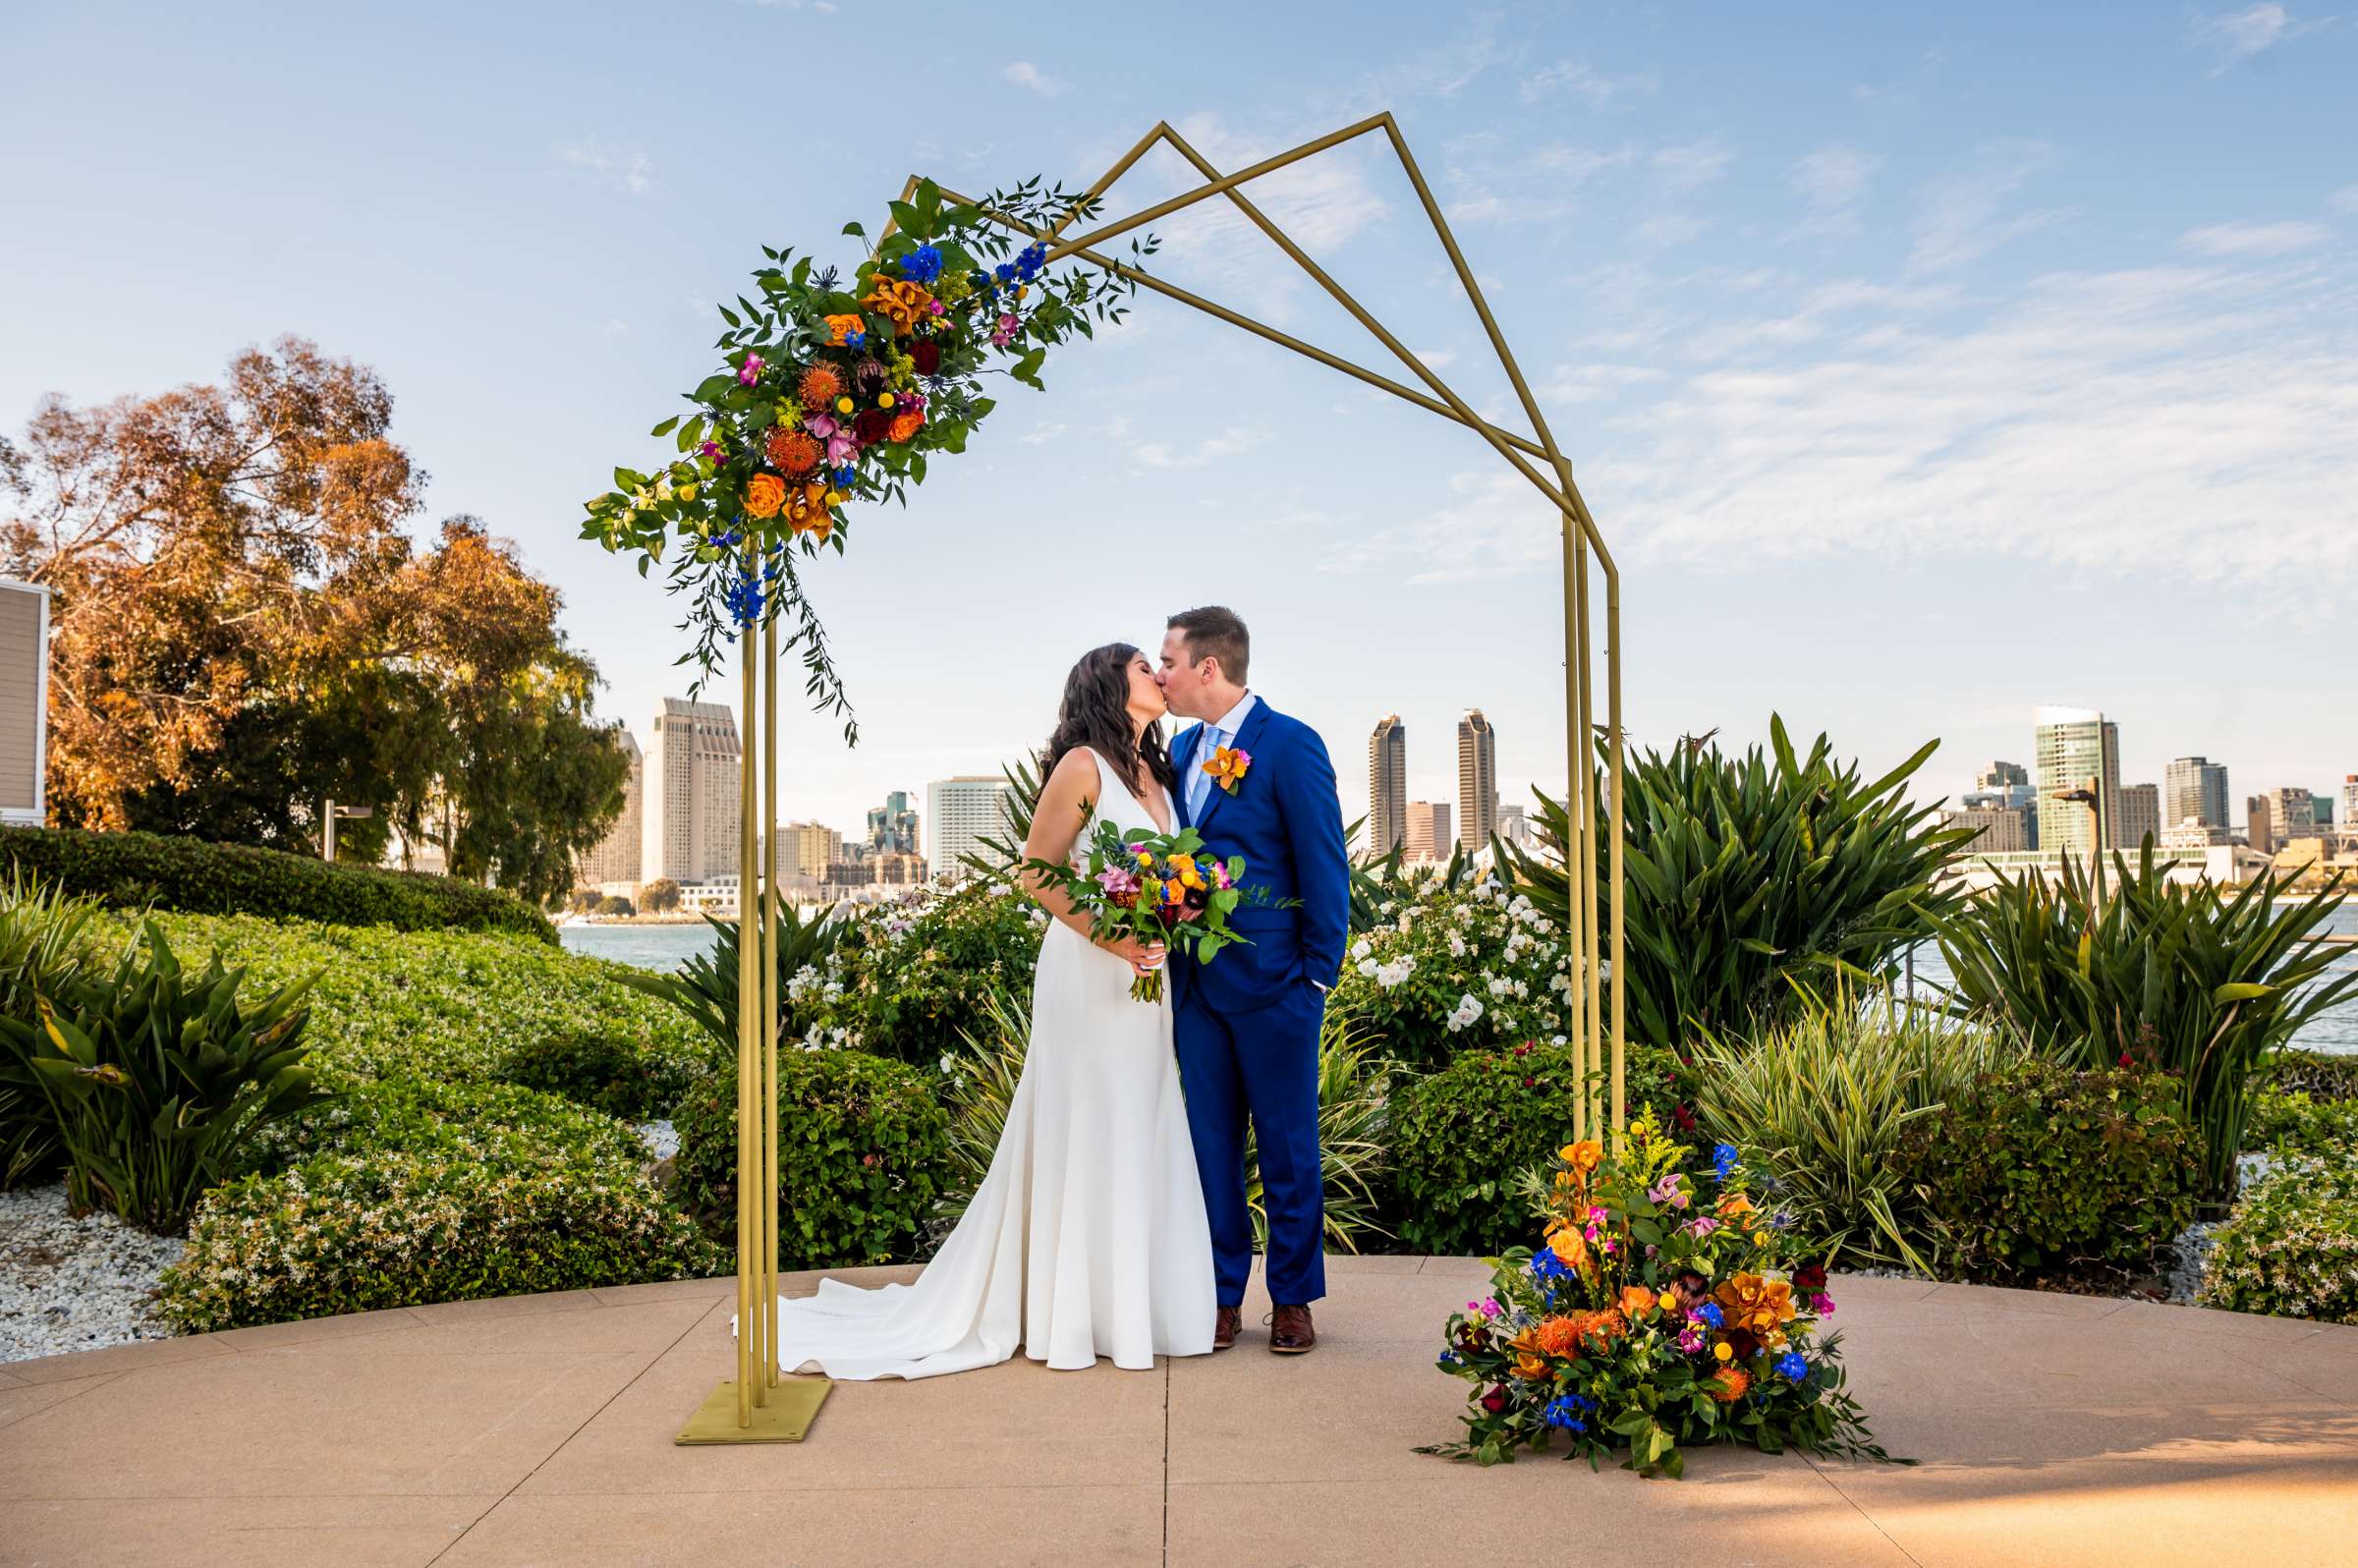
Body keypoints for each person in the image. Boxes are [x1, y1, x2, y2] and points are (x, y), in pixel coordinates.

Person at [766, 644, 1214, 1378]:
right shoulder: (1083, 765)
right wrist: (1119, 935)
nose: (1158, 676)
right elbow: (1036, 872)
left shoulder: (1160, 773)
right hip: (1088, 970)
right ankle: (1069, 1310)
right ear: (1109, 683)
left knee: (1141, 1115)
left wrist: (1167, 922)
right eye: (1143, 666)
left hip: (1146, 977)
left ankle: (1128, 1306)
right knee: (1086, 1119)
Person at [1158, 606, 1349, 1355]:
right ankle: (1219, 1295)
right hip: (1196, 991)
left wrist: (1315, 979)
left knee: (1288, 1146)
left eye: (1169, 660)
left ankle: (1294, 1299)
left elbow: (1324, 866)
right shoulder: (1175, 751)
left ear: (1209, 668)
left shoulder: (1291, 744)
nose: (1162, 673)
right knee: (1209, 1148)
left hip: (1278, 989)